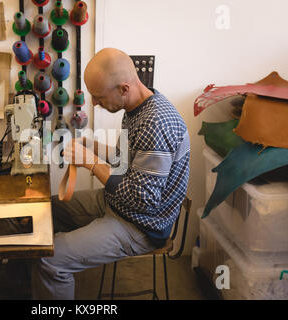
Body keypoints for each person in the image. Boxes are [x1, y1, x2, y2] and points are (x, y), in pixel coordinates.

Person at [32, 48, 190, 299]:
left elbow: (143, 199)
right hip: (117, 204)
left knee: (49, 259)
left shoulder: (156, 122)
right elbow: (125, 161)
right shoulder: (138, 108)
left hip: (141, 227)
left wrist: (92, 164)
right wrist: (92, 146)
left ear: (124, 89)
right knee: (41, 212)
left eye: (98, 97)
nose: (94, 103)